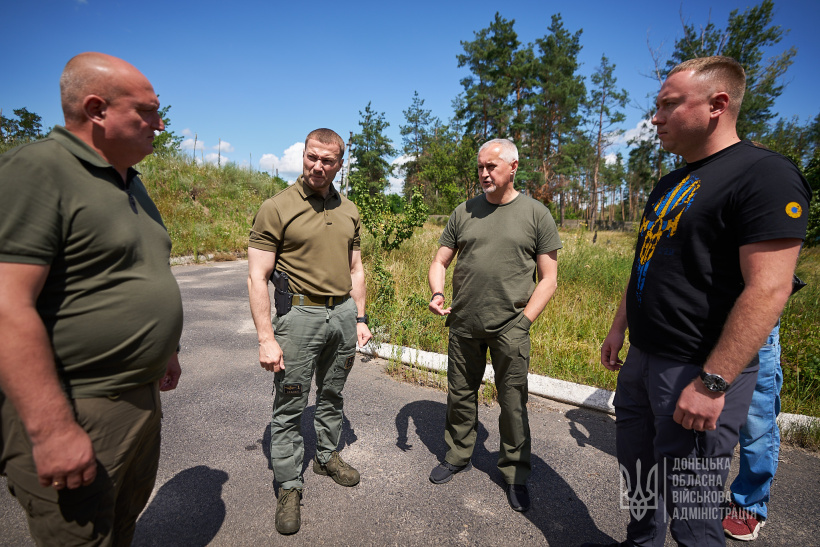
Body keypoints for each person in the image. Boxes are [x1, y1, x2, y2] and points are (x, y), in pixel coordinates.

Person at [590, 56, 811, 547]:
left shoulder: (764, 175)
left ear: (718, 104)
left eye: (670, 104)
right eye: (657, 106)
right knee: (640, 478)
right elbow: (645, 262)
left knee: (692, 512)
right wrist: (618, 326)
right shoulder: (670, 183)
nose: (656, 117)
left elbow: (769, 289)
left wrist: (714, 383)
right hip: (643, 362)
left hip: (697, 370)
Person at [0, 52, 184, 546]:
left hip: (139, 400)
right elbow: (6, 306)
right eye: (147, 111)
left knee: (120, 528)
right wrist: (51, 430)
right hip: (78, 405)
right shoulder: (38, 169)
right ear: (97, 109)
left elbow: (133, 274)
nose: (159, 124)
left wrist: (165, 349)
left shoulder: (130, 182)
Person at [247, 128, 372, 535]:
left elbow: (356, 269)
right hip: (298, 317)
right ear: (303, 156)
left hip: (342, 315)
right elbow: (256, 275)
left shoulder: (350, 210)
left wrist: (360, 318)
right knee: (290, 404)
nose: (318, 166)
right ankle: (288, 485)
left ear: (339, 163)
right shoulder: (277, 207)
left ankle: (326, 456)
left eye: (327, 160)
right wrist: (267, 337)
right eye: (311, 157)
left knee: (333, 393)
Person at [427, 138, 561, 512]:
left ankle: (515, 473)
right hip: (464, 322)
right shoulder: (463, 212)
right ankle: (457, 455)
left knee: (513, 402)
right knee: (459, 393)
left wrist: (525, 321)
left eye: (492, 167)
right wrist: (438, 293)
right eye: (481, 167)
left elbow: (548, 278)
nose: (484, 174)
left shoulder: (537, 214)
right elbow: (439, 261)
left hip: (510, 328)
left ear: (514, 167)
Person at [721, 323, 782, 541]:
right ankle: (698, 491)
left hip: (754, 327)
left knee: (756, 423)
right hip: (704, 322)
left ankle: (749, 503)